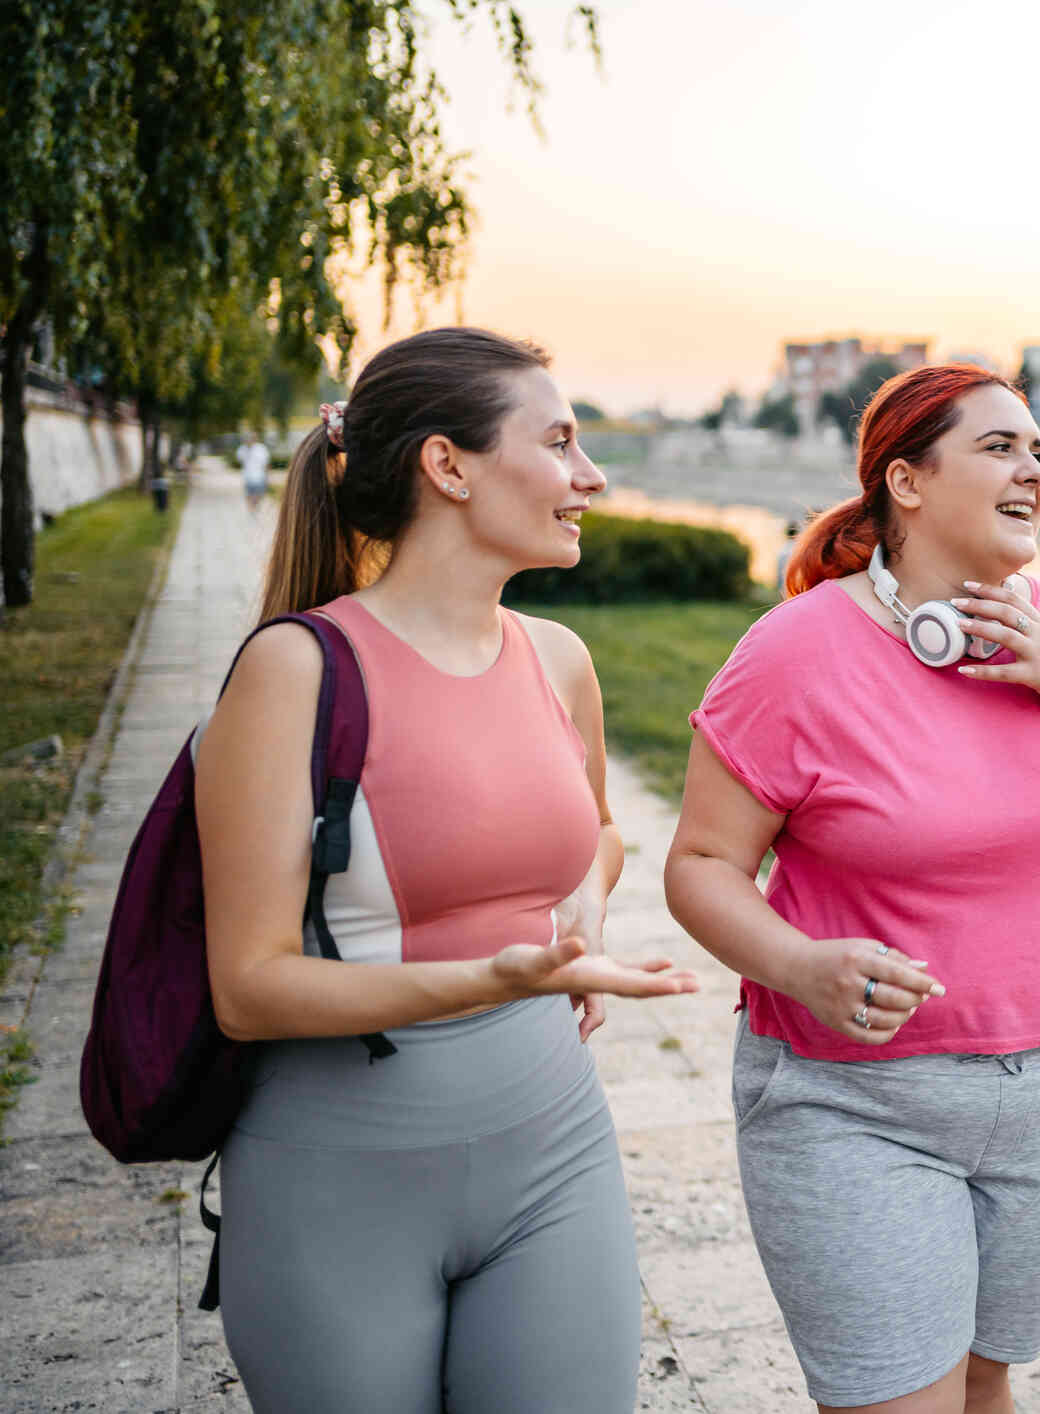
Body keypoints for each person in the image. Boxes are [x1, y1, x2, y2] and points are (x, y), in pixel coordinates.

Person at [665, 363, 1040, 1414]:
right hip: (855, 1106)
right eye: (1000, 447)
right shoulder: (794, 652)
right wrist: (799, 963)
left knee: (982, 1388)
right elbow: (698, 867)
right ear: (907, 483)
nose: (1033, 470)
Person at [194, 327, 701, 1414]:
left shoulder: (559, 659)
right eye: (560, 440)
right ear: (449, 465)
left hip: (555, 1150)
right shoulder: (294, 671)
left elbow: (599, 831)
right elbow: (247, 986)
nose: (591, 475)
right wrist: (497, 978)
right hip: (336, 1176)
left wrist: (586, 917)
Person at [238, 431, 271, 512]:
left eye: (251, 438)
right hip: (248, 476)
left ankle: (255, 506)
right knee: (249, 493)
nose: (249, 440)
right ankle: (251, 508)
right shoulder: (243, 449)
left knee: (259, 494)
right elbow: (240, 460)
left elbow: (266, 463)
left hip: (259, 476)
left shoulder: (261, 449)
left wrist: (268, 475)